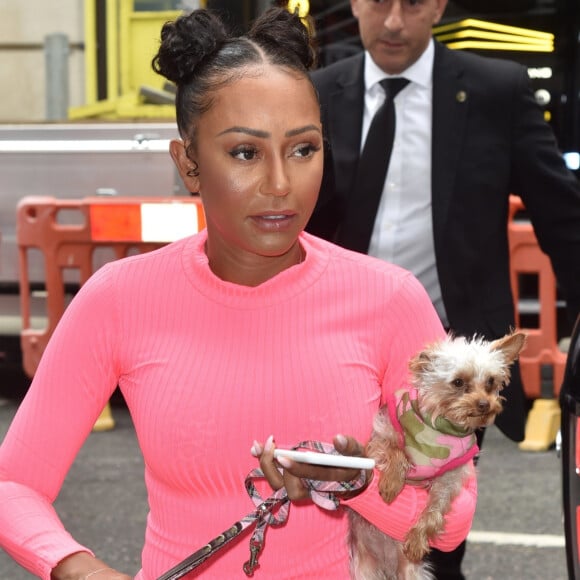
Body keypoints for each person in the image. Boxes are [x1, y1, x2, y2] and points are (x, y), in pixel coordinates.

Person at [0, 7, 476, 580]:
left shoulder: (389, 299)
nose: (281, 184)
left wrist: (355, 483)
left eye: (303, 149)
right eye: (245, 153)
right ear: (189, 164)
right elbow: (14, 484)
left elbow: (451, 524)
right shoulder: (119, 299)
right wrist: (80, 570)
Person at [306, 0, 580, 578]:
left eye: (412, 3)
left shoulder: (495, 91)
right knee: (332, 521)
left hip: (452, 356)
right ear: (354, 3)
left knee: (436, 534)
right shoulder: (318, 92)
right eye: (379, 2)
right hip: (339, 347)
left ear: (438, 5)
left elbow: (562, 215)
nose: (395, 22)